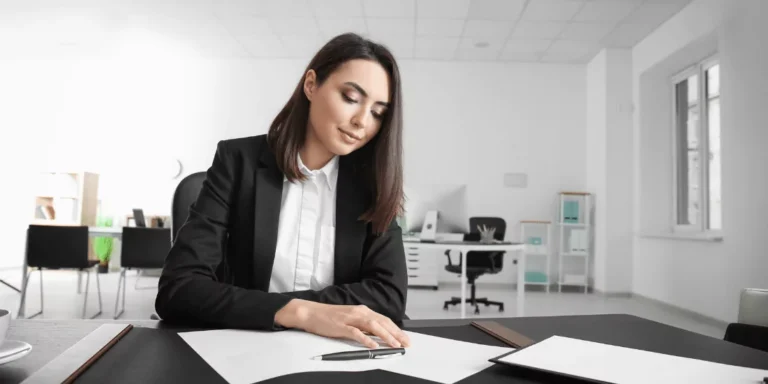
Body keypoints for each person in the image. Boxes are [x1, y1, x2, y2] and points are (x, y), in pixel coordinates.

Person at [155, 33, 410, 350]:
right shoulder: (238, 162)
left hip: (343, 352)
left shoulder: (373, 182)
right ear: (311, 85)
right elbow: (178, 290)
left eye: (377, 113)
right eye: (351, 98)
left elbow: (389, 296)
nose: (362, 122)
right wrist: (299, 312)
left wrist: (268, 305)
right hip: (247, 347)